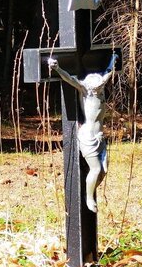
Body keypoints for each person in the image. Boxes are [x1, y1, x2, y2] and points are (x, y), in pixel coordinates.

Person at [47, 53, 118, 212]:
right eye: (98, 86)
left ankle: (91, 188)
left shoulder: (99, 87)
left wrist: (113, 58)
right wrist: (57, 68)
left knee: (104, 170)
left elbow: (108, 71)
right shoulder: (85, 89)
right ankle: (89, 198)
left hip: (100, 137)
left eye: (101, 85)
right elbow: (69, 79)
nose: (101, 87)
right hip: (89, 137)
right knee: (96, 169)